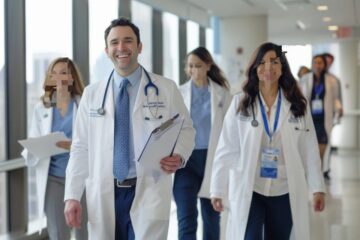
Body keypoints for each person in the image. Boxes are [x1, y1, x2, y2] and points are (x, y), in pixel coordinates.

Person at [64, 17, 195, 240]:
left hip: (148, 188)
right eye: (114, 42)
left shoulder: (165, 88)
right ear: (107, 50)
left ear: (139, 47)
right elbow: (80, 148)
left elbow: (187, 129)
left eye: (128, 41)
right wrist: (72, 195)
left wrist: (179, 155)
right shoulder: (92, 94)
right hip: (105, 192)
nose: (121, 48)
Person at [210, 42, 326, 240]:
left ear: (282, 67)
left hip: (285, 189)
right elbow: (226, 147)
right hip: (251, 186)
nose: (268, 68)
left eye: (274, 62)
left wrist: (318, 188)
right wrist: (217, 188)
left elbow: (310, 149)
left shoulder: (297, 106)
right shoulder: (241, 103)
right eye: (262, 63)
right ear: (255, 68)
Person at [22, 57, 88, 240]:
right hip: (53, 179)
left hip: (81, 178)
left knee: (84, 232)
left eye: (64, 73)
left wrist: (73, 146)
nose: (58, 78)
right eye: (54, 73)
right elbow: (34, 141)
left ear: (72, 78)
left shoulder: (84, 105)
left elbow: (97, 142)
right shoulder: (41, 108)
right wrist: (35, 148)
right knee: (58, 234)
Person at [174, 47, 232, 240]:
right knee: (186, 219)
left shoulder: (223, 95)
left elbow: (229, 132)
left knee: (211, 218)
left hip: (212, 162)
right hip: (186, 163)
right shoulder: (178, 94)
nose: (194, 70)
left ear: (208, 66)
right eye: (190, 66)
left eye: (198, 66)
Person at [300, 55, 343, 179]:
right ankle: (313, 171)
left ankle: (318, 171)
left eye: (320, 63)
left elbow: (335, 99)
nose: (317, 65)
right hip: (310, 119)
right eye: (315, 62)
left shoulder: (331, 80)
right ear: (312, 64)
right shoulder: (305, 79)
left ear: (324, 65)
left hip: (324, 119)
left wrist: (339, 108)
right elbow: (301, 97)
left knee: (323, 145)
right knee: (310, 146)